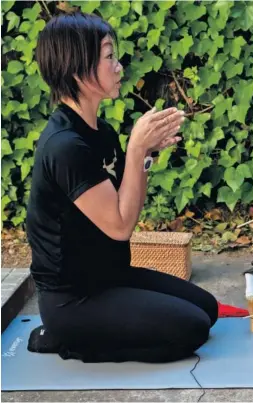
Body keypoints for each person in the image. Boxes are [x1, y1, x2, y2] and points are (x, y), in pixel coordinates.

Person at [25, 12, 219, 363]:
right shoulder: (65, 146)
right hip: (74, 299)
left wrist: (143, 155)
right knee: (192, 329)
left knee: (208, 309)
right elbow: (120, 227)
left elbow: (125, 206)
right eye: (109, 57)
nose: (119, 66)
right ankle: (69, 341)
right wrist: (135, 149)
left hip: (111, 277)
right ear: (77, 69)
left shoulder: (101, 134)